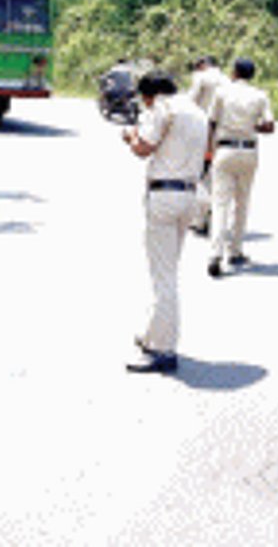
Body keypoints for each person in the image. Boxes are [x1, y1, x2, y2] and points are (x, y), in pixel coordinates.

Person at [121, 70, 208, 374]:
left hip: (165, 196)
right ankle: (153, 333)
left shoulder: (162, 108)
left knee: (163, 277)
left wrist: (130, 135)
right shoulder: (196, 110)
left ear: (150, 95)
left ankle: (163, 349)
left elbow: (142, 148)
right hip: (191, 194)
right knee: (168, 270)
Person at [205, 57, 275, 278]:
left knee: (220, 204)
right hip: (249, 151)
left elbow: (211, 122)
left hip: (225, 149)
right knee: (242, 202)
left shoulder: (222, 92)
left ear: (234, 72)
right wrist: (251, 126)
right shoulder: (260, 95)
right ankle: (235, 250)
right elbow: (270, 126)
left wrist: (209, 151)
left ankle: (215, 254)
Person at [187, 55, 228, 236]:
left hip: (202, 131)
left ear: (202, 65)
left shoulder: (201, 78)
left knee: (199, 173)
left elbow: (190, 103)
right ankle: (214, 216)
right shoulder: (227, 80)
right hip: (222, 132)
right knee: (214, 175)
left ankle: (199, 219)